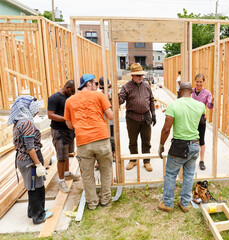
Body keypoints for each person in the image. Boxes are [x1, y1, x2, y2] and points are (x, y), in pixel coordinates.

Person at [64, 74, 114, 210]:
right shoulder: (99, 96)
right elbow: (110, 115)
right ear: (89, 84)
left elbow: (69, 125)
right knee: (106, 170)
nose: (96, 86)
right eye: (95, 83)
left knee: (87, 174)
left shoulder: (70, 101)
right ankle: (105, 199)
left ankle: (92, 203)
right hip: (101, 138)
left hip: (83, 142)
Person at [158, 82, 205, 213]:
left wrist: (161, 145)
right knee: (189, 175)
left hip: (179, 146)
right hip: (195, 145)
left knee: (171, 174)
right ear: (192, 91)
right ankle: (184, 203)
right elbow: (202, 124)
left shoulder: (173, 105)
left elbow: (166, 129)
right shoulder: (200, 106)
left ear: (179, 91)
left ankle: (168, 203)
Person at [8, 96, 53, 224]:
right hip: (30, 160)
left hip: (23, 159)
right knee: (36, 188)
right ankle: (38, 216)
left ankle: (32, 211)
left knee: (31, 186)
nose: (37, 112)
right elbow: (30, 147)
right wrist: (38, 164)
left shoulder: (19, 121)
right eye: (35, 108)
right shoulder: (26, 123)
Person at [118, 63, 156, 172]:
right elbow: (121, 101)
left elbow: (152, 100)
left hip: (146, 117)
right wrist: (117, 97)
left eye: (141, 75)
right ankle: (133, 160)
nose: (140, 77)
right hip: (132, 118)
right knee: (133, 141)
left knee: (146, 141)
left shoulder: (146, 86)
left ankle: (146, 161)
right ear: (132, 76)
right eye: (137, 75)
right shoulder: (126, 87)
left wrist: (153, 114)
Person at [47, 80, 80, 193]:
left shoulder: (69, 98)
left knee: (67, 154)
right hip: (59, 131)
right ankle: (61, 181)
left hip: (68, 130)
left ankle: (66, 173)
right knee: (61, 157)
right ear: (66, 87)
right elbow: (50, 115)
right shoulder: (54, 98)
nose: (73, 93)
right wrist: (66, 119)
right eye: (72, 91)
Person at [191, 73, 214, 171]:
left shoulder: (207, 93)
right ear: (195, 81)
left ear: (203, 82)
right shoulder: (191, 91)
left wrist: (212, 102)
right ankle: (191, 160)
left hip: (201, 120)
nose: (199, 84)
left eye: (200, 82)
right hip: (191, 119)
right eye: (197, 81)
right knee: (191, 139)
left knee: (201, 140)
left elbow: (209, 106)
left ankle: (201, 161)